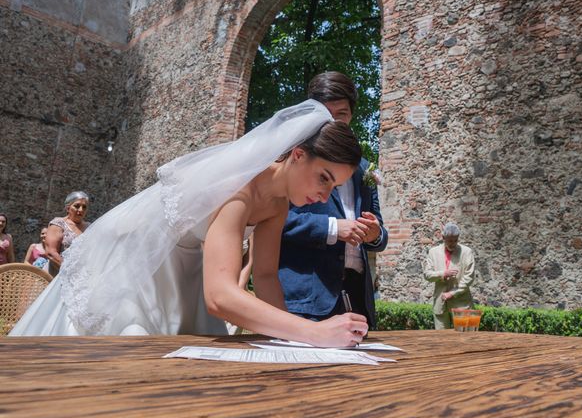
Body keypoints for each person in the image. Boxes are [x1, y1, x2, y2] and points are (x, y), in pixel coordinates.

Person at [10, 100, 369, 347]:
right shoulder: (239, 189)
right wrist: (313, 332)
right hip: (139, 262)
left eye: (334, 186)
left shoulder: (277, 204)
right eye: (323, 177)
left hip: (183, 268)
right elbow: (219, 296)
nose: (325, 197)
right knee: (125, 346)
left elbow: (264, 277)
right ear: (297, 155)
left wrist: (292, 339)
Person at [279, 72, 388, 328]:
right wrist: (332, 228)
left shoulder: (362, 168)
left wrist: (374, 234)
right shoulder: (296, 158)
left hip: (356, 295)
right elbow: (276, 219)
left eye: (342, 114)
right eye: (327, 114)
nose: (334, 122)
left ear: (351, 115)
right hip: (309, 296)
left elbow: (380, 232)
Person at [424, 222, 476, 329]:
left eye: (455, 240)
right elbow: (427, 275)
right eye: (450, 240)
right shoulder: (433, 252)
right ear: (443, 237)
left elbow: (469, 277)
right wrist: (443, 273)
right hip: (440, 304)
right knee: (441, 341)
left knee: (465, 340)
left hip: (462, 304)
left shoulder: (467, 252)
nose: (453, 243)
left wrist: (452, 293)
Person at [46, 191, 91, 277]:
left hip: (82, 276)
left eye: (84, 207)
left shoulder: (90, 227)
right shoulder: (58, 224)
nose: (81, 210)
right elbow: (51, 253)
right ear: (68, 208)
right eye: (77, 206)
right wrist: (70, 271)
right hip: (59, 274)